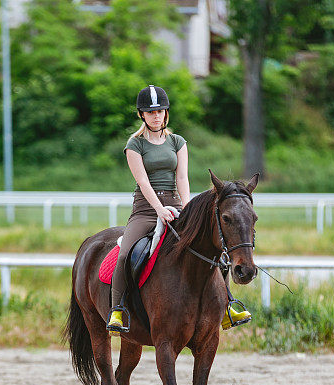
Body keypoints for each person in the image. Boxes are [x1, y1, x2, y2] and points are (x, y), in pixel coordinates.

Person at [106, 85, 251, 334]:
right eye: (151, 112)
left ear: (166, 113)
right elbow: (143, 182)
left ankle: (228, 305)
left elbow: (182, 178)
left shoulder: (177, 142)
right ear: (141, 114)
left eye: (160, 111)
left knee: (215, 246)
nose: (157, 116)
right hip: (145, 209)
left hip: (176, 204)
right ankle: (118, 309)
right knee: (125, 252)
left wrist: (185, 209)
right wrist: (159, 209)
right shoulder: (134, 144)